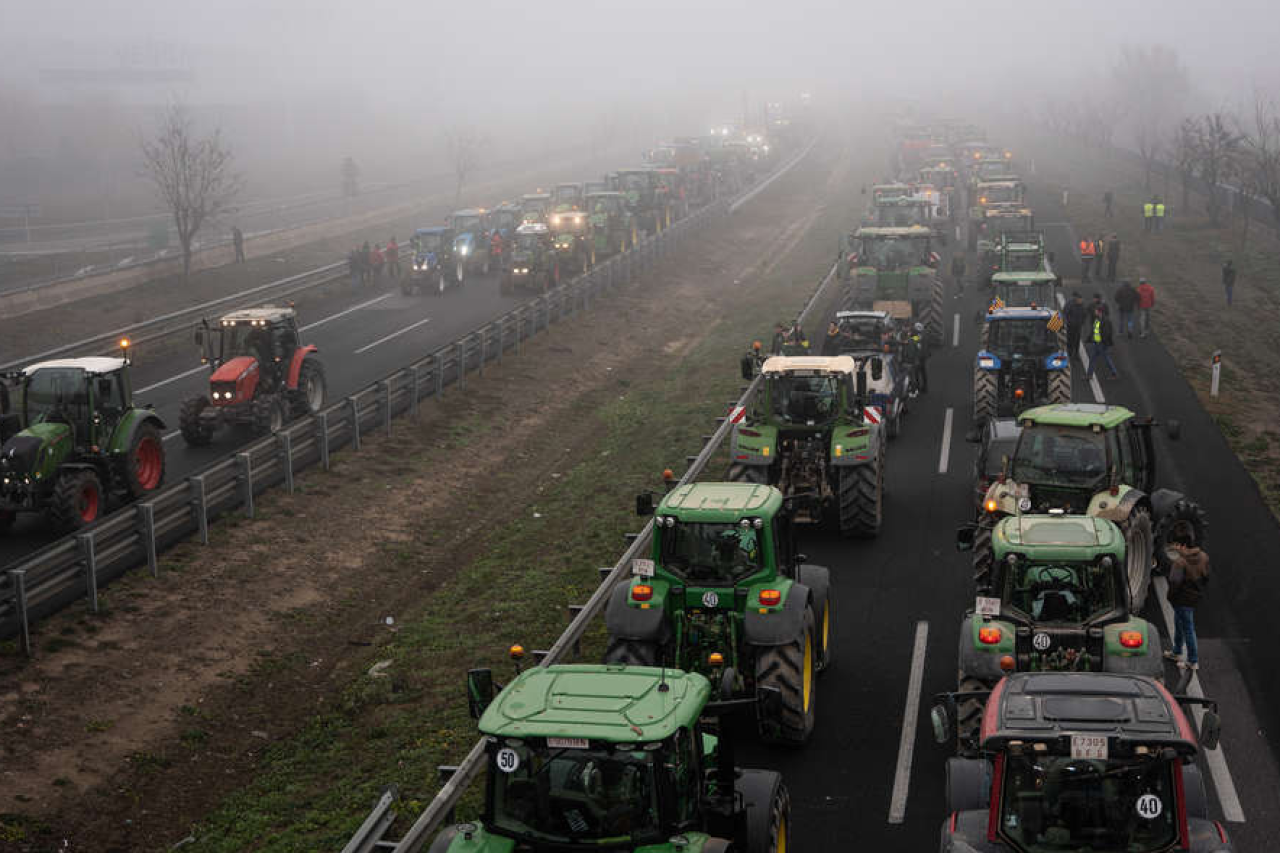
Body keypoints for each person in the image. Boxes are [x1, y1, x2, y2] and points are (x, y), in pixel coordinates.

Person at [1163, 522, 1210, 671]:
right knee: (1179, 623)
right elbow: (1206, 577)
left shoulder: (1179, 563)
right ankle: (1177, 651)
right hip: (1194, 597)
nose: (1175, 547)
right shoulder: (1203, 557)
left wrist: (1170, 597)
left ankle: (1192, 661)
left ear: (1183, 546)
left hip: (1181, 600)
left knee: (1188, 629)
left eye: (1177, 545)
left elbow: (1174, 583)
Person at [1084, 307, 1118, 380]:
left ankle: (1114, 373)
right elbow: (1094, 330)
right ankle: (1089, 375)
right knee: (1093, 358)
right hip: (1097, 342)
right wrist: (1089, 339)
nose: (1095, 312)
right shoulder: (1097, 319)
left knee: (1106, 359)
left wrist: (1104, 343)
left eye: (1096, 311)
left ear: (1100, 312)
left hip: (1101, 343)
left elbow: (1107, 333)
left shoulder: (1106, 321)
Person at [904, 323, 928, 394]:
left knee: (916, 373)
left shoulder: (915, 338)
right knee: (923, 372)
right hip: (923, 357)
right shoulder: (923, 336)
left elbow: (912, 342)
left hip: (917, 358)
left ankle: (917, 386)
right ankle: (925, 387)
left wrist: (909, 339)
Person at [1064, 291, 1086, 360]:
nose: (1081, 301)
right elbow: (1065, 312)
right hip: (1071, 326)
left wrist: (1082, 322)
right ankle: (1070, 354)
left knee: (1077, 341)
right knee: (1070, 340)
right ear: (1077, 299)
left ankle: (1076, 354)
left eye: (1081, 299)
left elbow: (1084, 314)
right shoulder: (1070, 304)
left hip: (1078, 326)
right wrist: (1069, 321)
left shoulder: (1082, 305)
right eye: (1080, 299)